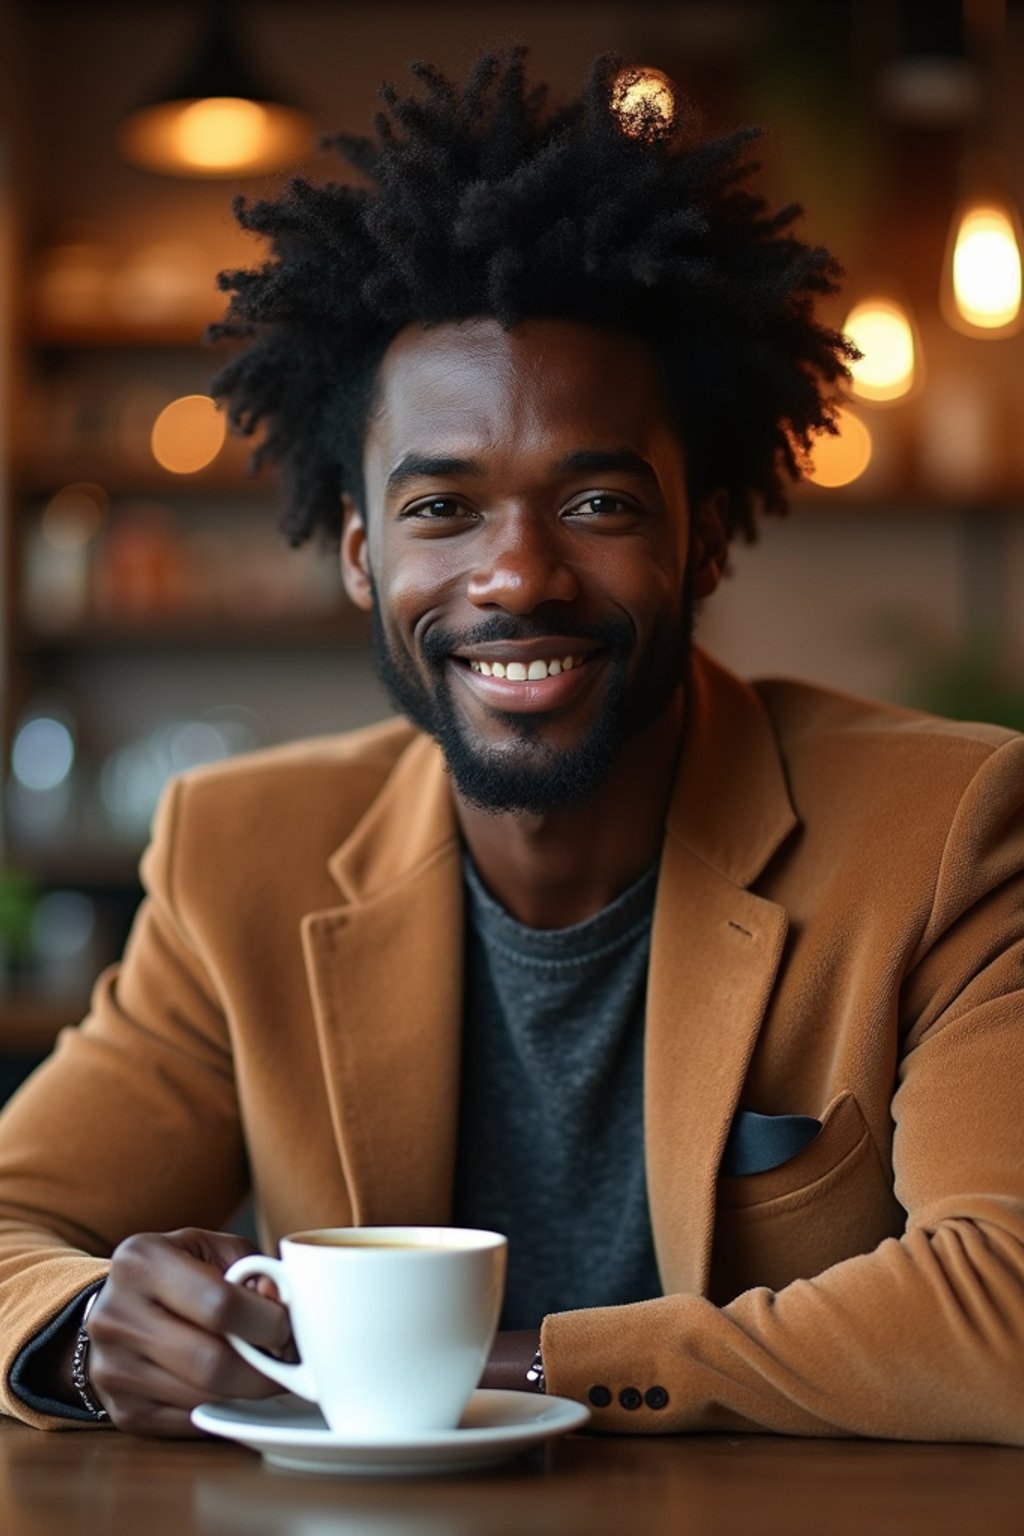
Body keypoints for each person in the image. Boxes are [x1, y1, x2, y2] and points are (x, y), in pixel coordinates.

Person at [1, 50, 1023, 1443]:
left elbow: (1006, 1308)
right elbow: (12, 1221)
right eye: (442, 512)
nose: (516, 575)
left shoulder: (949, 828)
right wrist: (84, 1332)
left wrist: (501, 1375)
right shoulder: (244, 851)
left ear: (704, 532)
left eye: (597, 501)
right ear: (361, 556)